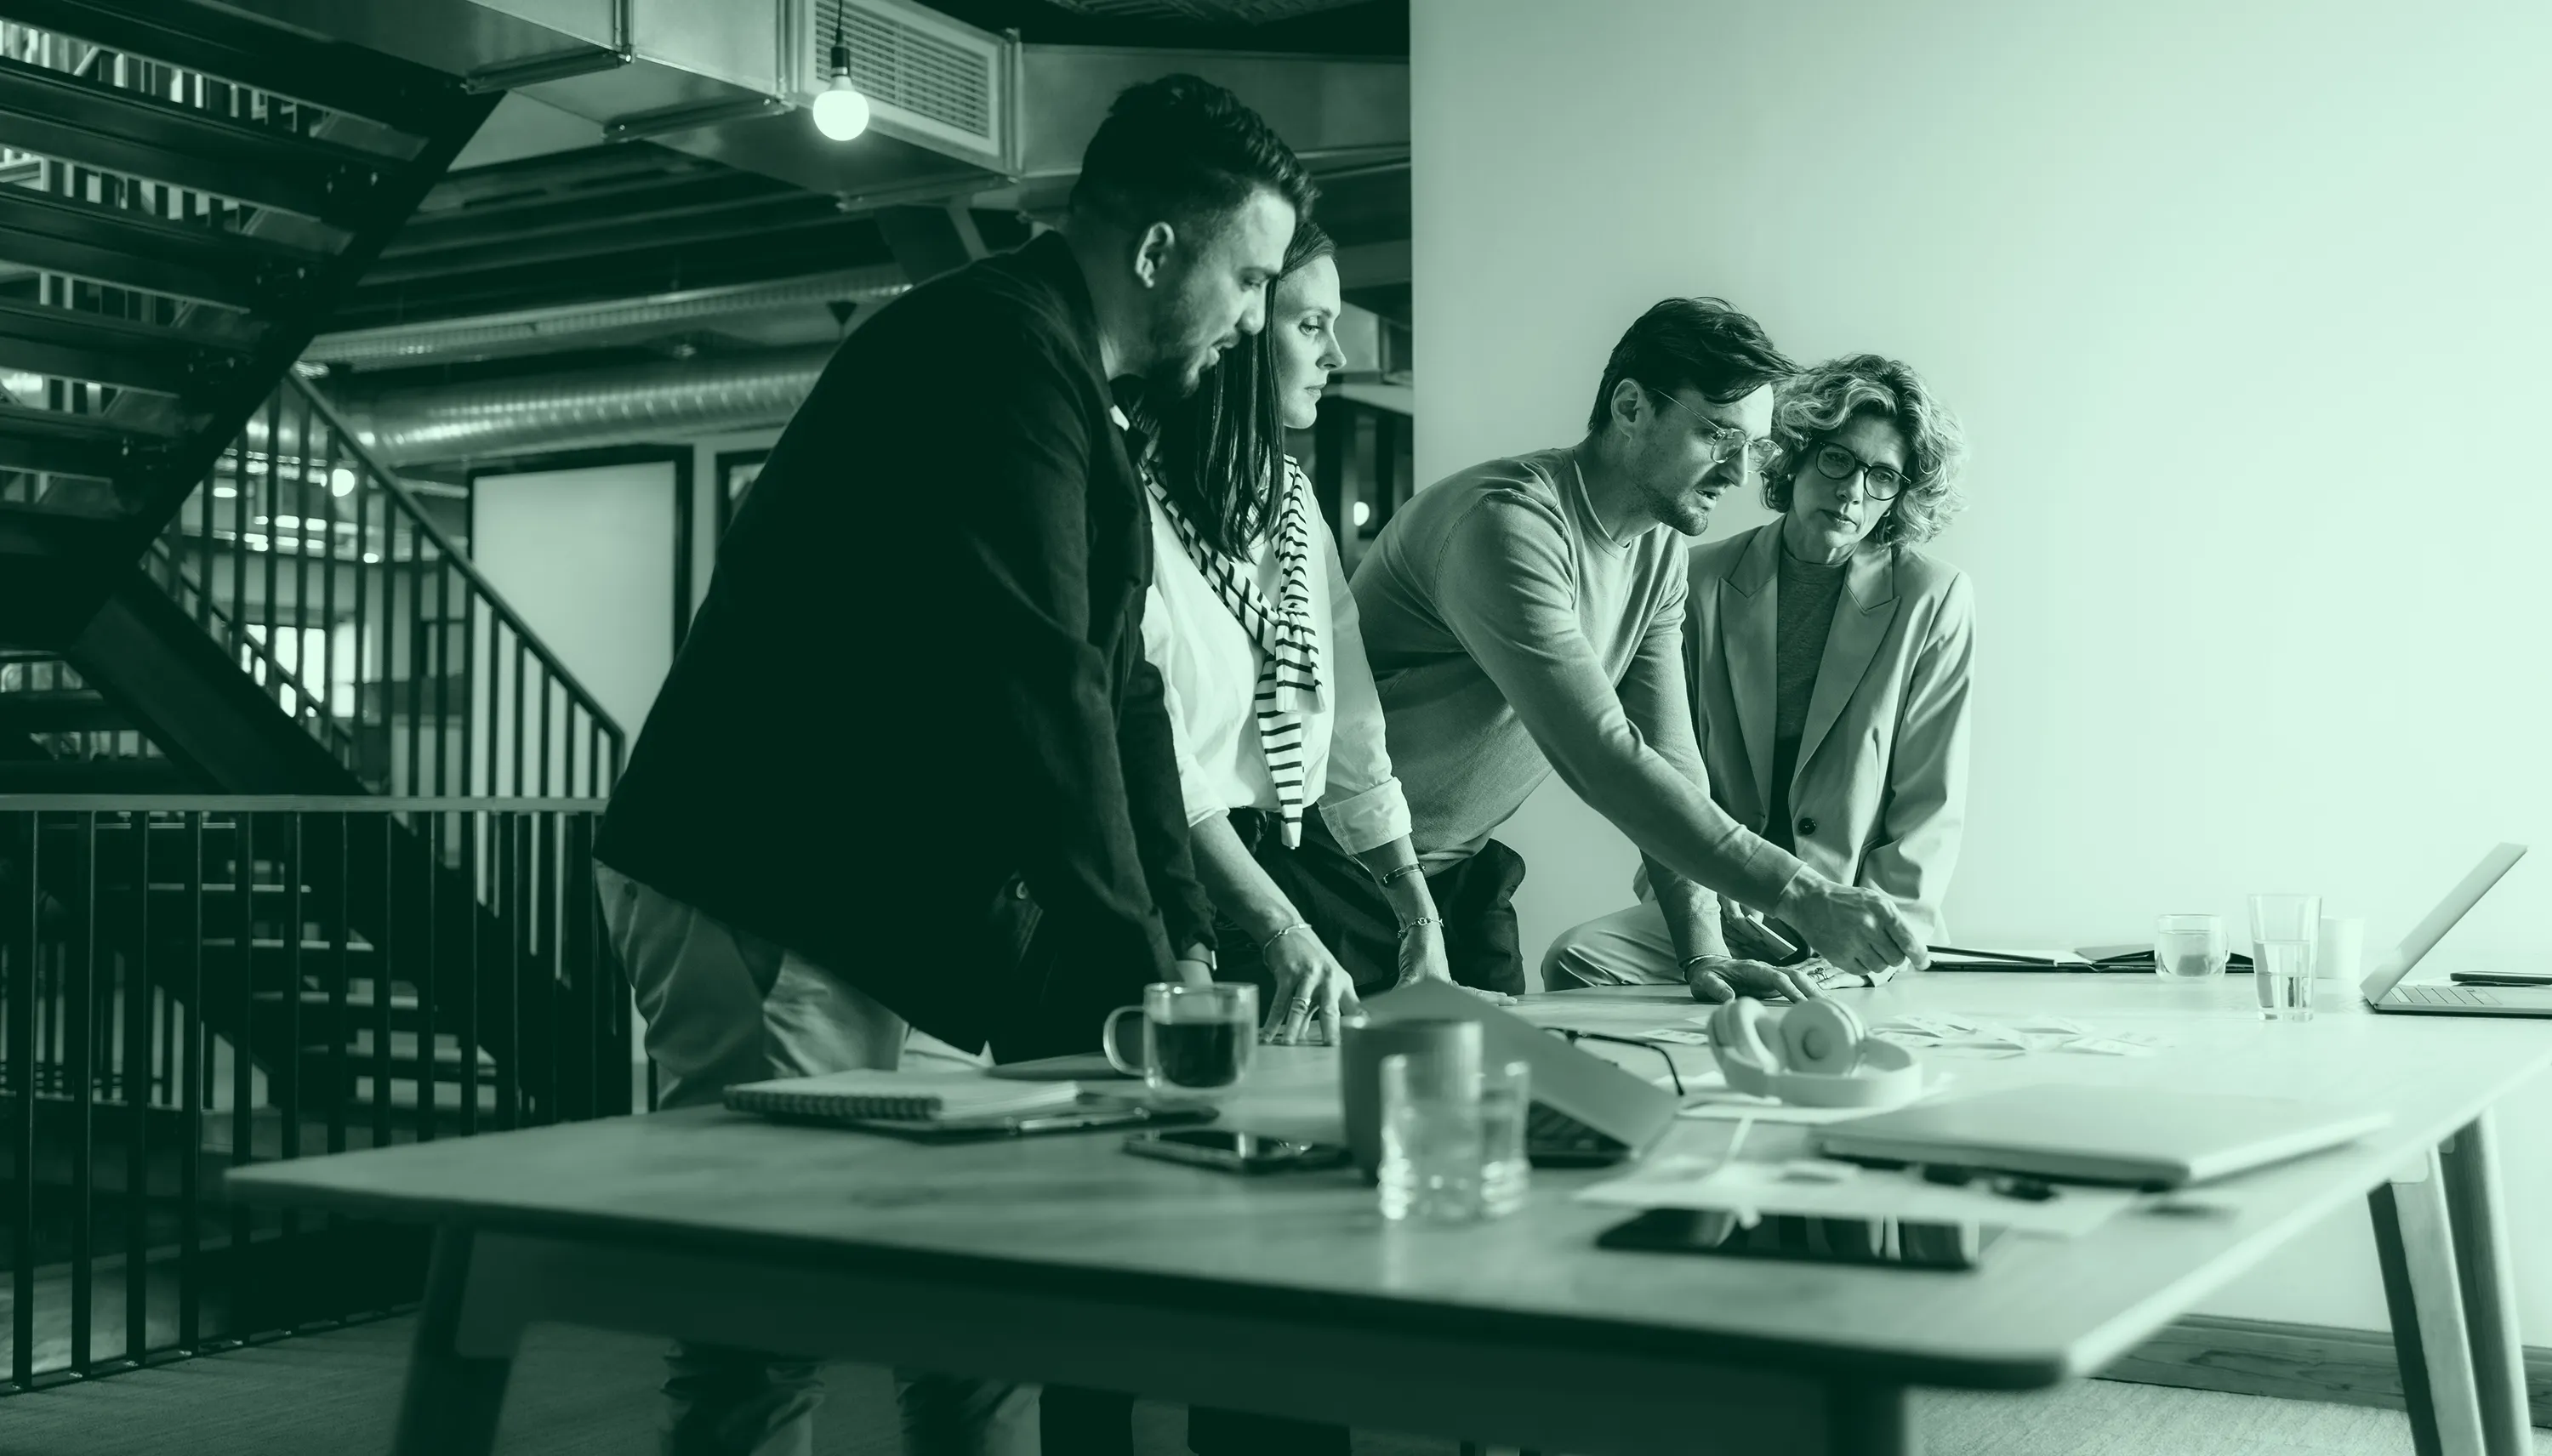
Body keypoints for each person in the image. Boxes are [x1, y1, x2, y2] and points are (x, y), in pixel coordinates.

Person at [589, 74, 1313, 1456]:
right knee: (767, 1333)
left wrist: (1186, 936)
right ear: (1160, 250)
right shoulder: (992, 351)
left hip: (897, 909)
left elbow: (1127, 694)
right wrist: (1141, 976)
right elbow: (1038, 686)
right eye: (1252, 278)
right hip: (770, 883)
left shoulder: (1080, 389)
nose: (1255, 317)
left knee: (982, 1321)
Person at [1042, 218, 1427, 1456]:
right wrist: (1268, 916)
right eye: (1308, 321)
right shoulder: (1123, 490)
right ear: (1247, 332)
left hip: (1293, 874)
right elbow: (1146, 746)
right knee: (1112, 1256)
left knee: (1291, 1258)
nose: (1335, 353)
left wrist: (1412, 901)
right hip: (1167, 877)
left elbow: (1350, 728)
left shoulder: (1295, 502)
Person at [1296, 299, 1928, 1001]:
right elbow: (1603, 757)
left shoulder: (1658, 550)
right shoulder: (1507, 524)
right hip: (1327, 868)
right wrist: (1803, 894)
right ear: (1631, 408)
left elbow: (1668, 756)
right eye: (1718, 435)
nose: (1739, 475)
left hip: (1457, 875)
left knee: (1520, 1068)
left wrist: (1703, 952)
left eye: (1752, 448)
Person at [1542, 354, 1974, 990]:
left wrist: (1870, 948)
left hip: (1856, 913)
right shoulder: (1696, 578)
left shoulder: (1932, 597)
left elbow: (1929, 804)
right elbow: (1665, 773)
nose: (1853, 490)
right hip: (1729, 902)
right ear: (1795, 456)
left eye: (1883, 476)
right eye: (1838, 460)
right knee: (1575, 959)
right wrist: (1709, 901)